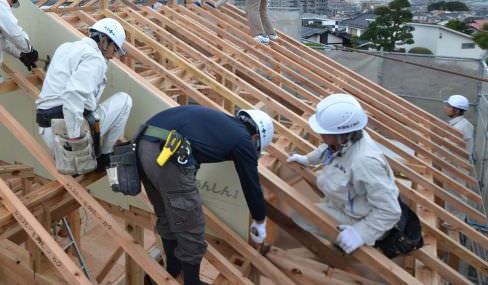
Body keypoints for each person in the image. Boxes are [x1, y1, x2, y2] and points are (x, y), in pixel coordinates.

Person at [137, 106, 274, 285]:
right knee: (191, 224)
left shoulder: (220, 123)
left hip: (142, 146)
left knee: (166, 214)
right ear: (256, 138)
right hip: (168, 156)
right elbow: (251, 185)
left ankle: (172, 268)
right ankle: (192, 281)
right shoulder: (243, 140)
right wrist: (259, 219)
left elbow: (196, 148)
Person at [287, 94, 401, 254]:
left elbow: (390, 210)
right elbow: (327, 149)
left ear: (342, 133)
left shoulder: (365, 162)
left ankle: (343, 248)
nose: (320, 136)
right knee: (307, 210)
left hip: (363, 219)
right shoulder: (348, 138)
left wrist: (360, 233)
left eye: (325, 132)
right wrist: (308, 159)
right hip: (344, 203)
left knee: (300, 216)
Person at [35, 18, 133, 174]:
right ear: (105, 40)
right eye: (114, 50)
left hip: (47, 131)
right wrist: (75, 145)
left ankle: (89, 149)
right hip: (66, 135)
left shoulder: (65, 47)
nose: (113, 56)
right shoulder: (95, 59)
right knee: (125, 100)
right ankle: (106, 156)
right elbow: (73, 96)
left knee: (89, 107)